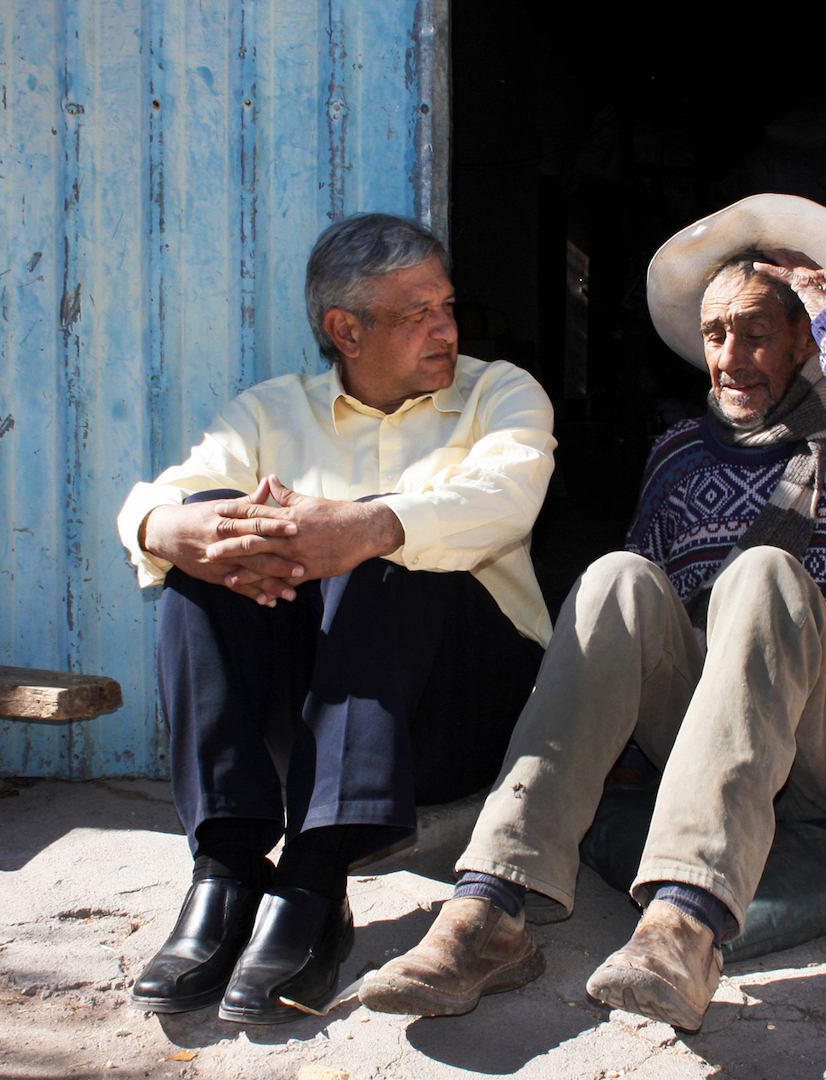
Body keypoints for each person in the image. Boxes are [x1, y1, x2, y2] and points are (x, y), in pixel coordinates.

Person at [360, 194, 826, 1031]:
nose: (732, 356)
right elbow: (639, 629)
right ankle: (489, 908)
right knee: (616, 575)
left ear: (804, 340)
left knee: (762, 574)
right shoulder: (680, 453)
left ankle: (686, 922)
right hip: (723, 738)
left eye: (758, 331)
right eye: (717, 334)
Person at [115, 213, 555, 1025]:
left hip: (463, 709)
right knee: (208, 531)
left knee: (389, 544)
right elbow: (163, 497)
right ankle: (228, 866)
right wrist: (167, 531)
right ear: (344, 330)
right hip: (315, 720)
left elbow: (504, 501)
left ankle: (315, 880)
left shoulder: (499, 393)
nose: (446, 328)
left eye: (448, 305)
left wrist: (359, 529)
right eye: (417, 314)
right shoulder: (267, 413)